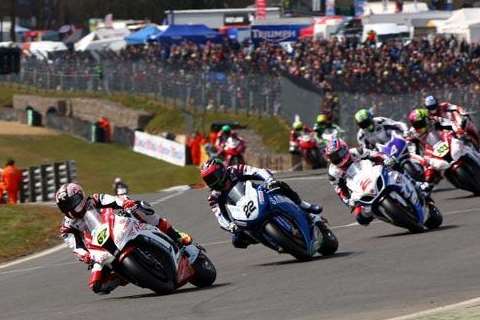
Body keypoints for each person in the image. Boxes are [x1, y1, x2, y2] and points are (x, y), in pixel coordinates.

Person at [56, 183, 192, 295]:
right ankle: (121, 276)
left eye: (72, 202)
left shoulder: (95, 199)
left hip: (117, 226)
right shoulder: (67, 227)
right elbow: (76, 247)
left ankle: (175, 235)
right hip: (99, 247)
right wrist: (86, 256)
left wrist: (126, 203)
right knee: (96, 285)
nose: (70, 208)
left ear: (81, 195)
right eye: (65, 206)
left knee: (141, 208)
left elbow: (114, 200)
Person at [200, 159, 323, 248]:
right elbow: (220, 217)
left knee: (280, 186)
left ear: (221, 170)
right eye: (208, 180)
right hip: (243, 213)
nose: (212, 182)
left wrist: (269, 180)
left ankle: (303, 205)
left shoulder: (235, 170)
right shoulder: (213, 197)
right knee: (237, 241)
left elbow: (257, 171)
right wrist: (230, 226)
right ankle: (272, 241)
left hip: (258, 194)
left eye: (213, 177)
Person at [324, 137, 433, 226]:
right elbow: (340, 191)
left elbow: (375, 155)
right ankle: (387, 215)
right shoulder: (333, 172)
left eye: (339, 153)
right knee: (361, 219)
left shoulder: (356, 152)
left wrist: (386, 159)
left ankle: (416, 183)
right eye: (333, 157)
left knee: (395, 164)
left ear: (345, 148)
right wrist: (348, 202)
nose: (337, 158)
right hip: (359, 189)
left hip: (373, 173)